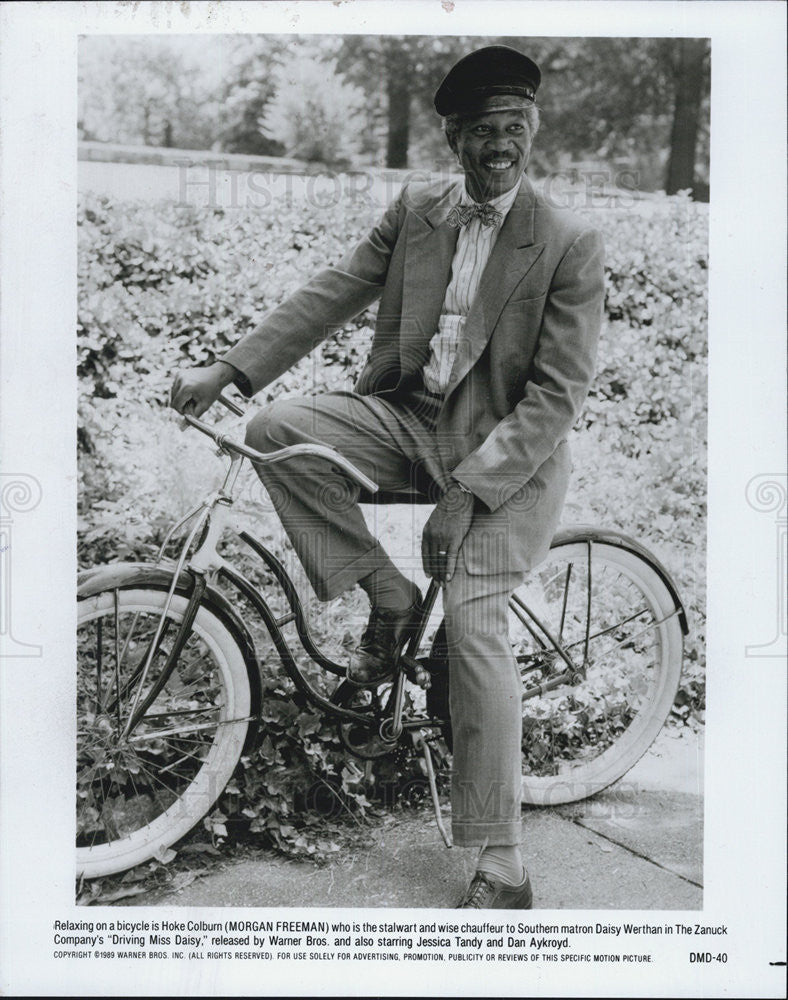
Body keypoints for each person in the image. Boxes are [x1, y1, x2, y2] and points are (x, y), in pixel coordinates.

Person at [171, 44, 605, 909]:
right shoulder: (420, 211)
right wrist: (229, 370)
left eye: (514, 128)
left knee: (476, 628)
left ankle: (500, 860)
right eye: (482, 131)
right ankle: (390, 596)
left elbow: (557, 396)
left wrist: (469, 493)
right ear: (452, 138)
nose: (500, 147)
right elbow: (331, 292)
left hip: (508, 462)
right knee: (278, 431)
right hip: (412, 425)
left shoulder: (567, 242)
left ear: (533, 130)